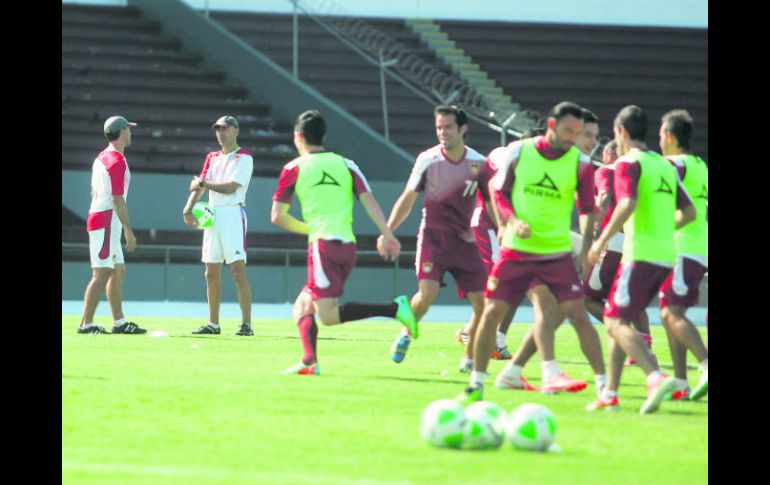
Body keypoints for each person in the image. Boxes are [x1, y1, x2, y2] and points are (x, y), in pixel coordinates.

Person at [459, 101, 605, 401]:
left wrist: (587, 245)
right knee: (493, 311)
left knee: (574, 311)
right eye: (569, 130)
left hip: (555, 253)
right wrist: (511, 221)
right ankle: (477, 382)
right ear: (551, 126)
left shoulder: (579, 163)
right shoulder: (520, 151)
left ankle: (603, 387)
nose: (573, 137)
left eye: (578, 132)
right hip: (517, 248)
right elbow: (498, 192)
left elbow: (588, 209)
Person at [271, 110, 417, 375]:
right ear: (323, 136)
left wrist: (310, 229)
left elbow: (277, 217)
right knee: (303, 306)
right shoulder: (346, 164)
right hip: (348, 248)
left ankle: (395, 309)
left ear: (298, 136)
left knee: (327, 315)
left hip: (323, 247)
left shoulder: (293, 168)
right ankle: (309, 362)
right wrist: (387, 233)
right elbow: (368, 200)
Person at [586, 105, 696, 414]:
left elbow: (627, 204)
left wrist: (602, 241)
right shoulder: (664, 165)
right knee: (617, 315)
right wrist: (663, 229)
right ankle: (610, 393)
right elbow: (689, 213)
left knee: (613, 320)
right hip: (666, 254)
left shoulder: (627, 164)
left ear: (620, 132)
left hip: (641, 252)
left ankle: (655, 375)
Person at [381, 105, 492, 369]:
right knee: (427, 294)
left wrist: (507, 231)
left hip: (465, 243)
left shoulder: (478, 163)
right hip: (433, 239)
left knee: (483, 303)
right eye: (439, 127)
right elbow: (408, 199)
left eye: (448, 127)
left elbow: (492, 204)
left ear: (462, 128)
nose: (442, 132)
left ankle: (469, 357)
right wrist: (387, 231)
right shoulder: (427, 159)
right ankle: (407, 333)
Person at [585, 140, 656, 367]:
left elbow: (604, 195)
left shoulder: (606, 170)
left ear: (608, 153)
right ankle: (644, 344)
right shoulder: (639, 173)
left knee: (586, 298)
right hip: (640, 242)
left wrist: (597, 226)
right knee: (631, 298)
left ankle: (626, 336)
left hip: (613, 242)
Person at [182, 115, 255, 336]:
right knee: (210, 271)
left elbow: (231, 187)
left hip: (233, 213)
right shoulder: (211, 157)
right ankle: (213, 324)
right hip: (212, 215)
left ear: (236, 131)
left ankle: (246, 324)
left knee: (237, 270)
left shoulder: (244, 157)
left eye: (224, 129)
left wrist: (203, 183)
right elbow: (199, 186)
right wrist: (187, 208)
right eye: (217, 129)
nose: (220, 133)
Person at [78, 116, 147, 335]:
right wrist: (129, 230)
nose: (131, 132)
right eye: (129, 129)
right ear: (123, 131)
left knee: (117, 270)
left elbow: (94, 191)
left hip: (106, 218)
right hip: (107, 219)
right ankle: (85, 324)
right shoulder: (116, 161)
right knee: (102, 272)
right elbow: (118, 199)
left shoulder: (102, 157)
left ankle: (119, 322)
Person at [657, 109, 708, 401]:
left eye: (662, 133)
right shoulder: (700, 165)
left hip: (682, 247)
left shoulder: (672, 165)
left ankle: (704, 364)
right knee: (669, 314)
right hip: (698, 247)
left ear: (670, 137)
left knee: (671, 313)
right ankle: (679, 380)